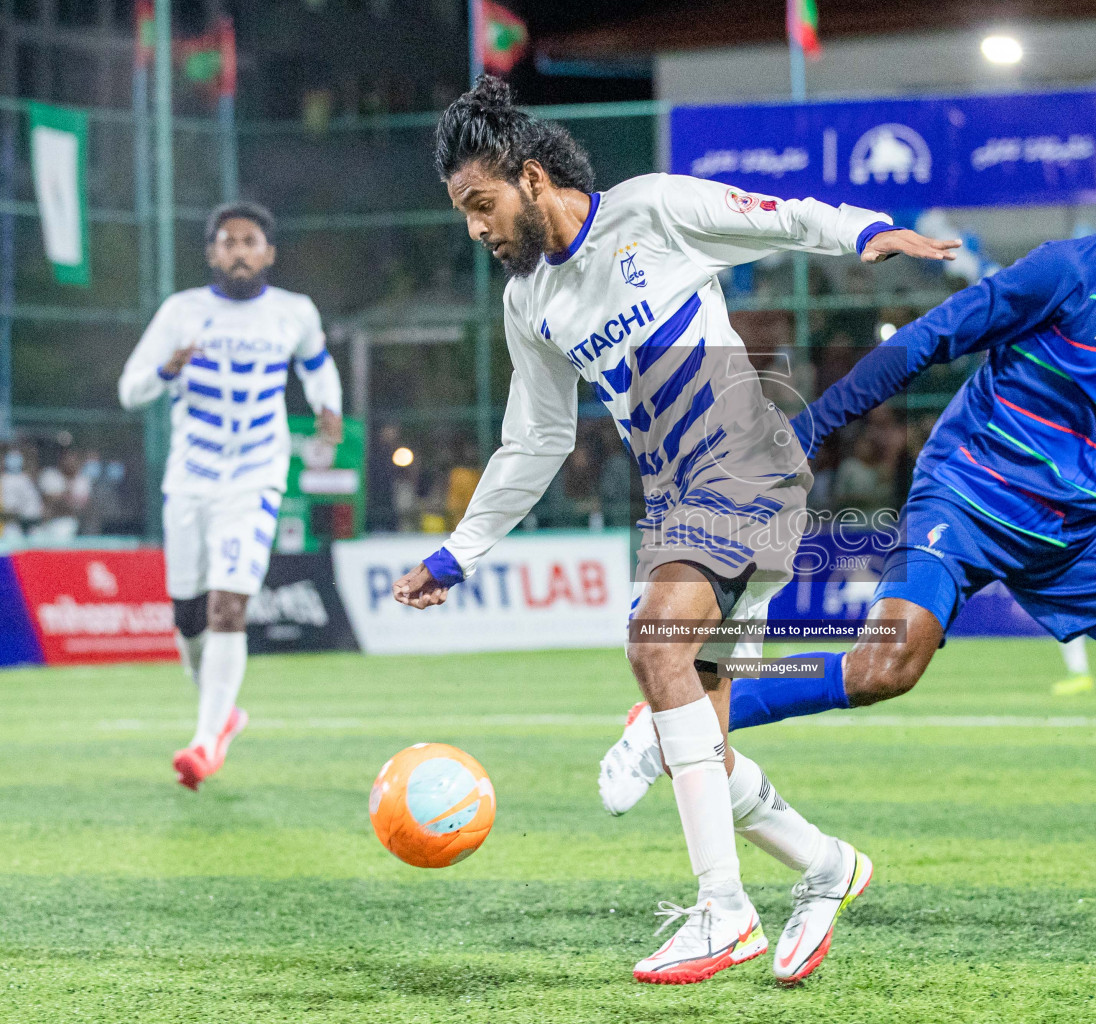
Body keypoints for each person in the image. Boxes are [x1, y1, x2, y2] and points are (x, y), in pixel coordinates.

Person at [601, 120, 1096, 947]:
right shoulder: (1071, 271)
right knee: (883, 670)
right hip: (964, 499)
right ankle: (671, 723)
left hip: (1075, 535)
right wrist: (814, 426)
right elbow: (936, 338)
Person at [388, 75, 958, 987]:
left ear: (531, 177)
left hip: (745, 467)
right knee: (698, 728)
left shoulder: (651, 210)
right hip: (681, 499)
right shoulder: (528, 302)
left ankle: (725, 914)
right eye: (462, 211)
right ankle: (824, 863)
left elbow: (776, 215)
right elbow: (534, 440)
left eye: (480, 203)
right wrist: (459, 550)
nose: (475, 228)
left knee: (654, 648)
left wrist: (862, 230)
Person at [118, 200, 342, 792]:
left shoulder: (293, 312)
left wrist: (329, 408)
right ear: (211, 253)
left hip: (255, 477)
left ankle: (205, 740)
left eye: (250, 241)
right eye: (227, 241)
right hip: (189, 480)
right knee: (188, 615)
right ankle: (222, 717)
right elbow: (129, 390)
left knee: (228, 606)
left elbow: (318, 366)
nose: (239, 251)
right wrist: (167, 369)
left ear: (268, 253)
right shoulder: (181, 313)